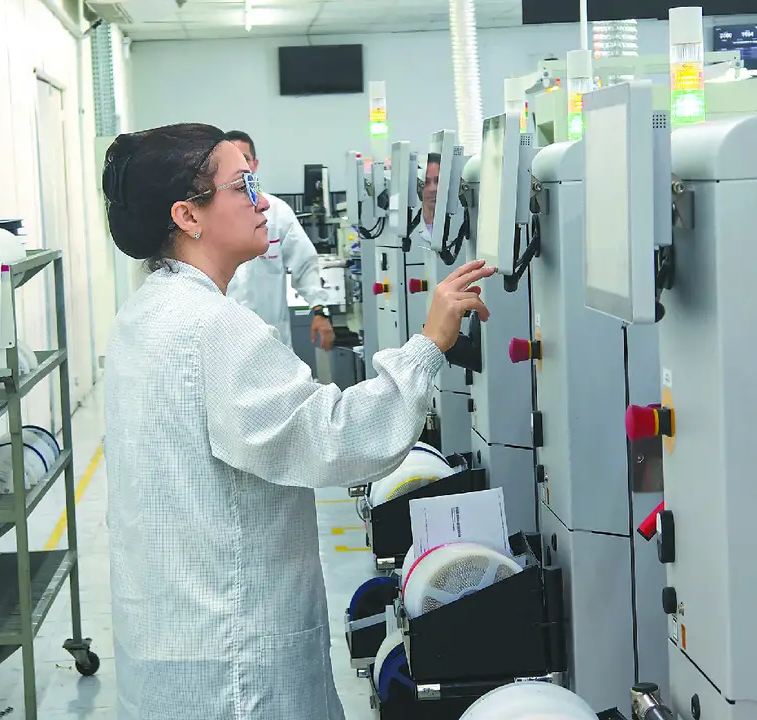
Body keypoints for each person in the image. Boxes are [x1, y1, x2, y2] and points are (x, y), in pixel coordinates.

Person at [100, 122, 496, 720]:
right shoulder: (213, 329)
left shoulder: (145, 313)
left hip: (172, 633)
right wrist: (428, 346)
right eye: (242, 186)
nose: (262, 202)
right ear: (188, 216)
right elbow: (334, 438)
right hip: (230, 655)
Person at [224, 129, 334, 351]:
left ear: (254, 164)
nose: (238, 166)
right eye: (230, 159)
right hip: (225, 343)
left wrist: (319, 310)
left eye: (243, 158)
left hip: (272, 342)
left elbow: (305, 264)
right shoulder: (214, 216)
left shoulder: (277, 212)